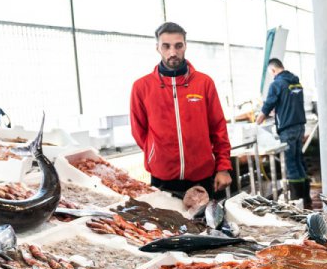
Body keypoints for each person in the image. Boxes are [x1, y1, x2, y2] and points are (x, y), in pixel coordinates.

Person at [130, 22, 232, 199]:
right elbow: (139, 131)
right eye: (166, 46)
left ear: (185, 46)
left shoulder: (204, 83)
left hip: (203, 178)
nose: (173, 52)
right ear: (157, 48)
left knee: (209, 226)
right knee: (166, 227)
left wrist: (223, 167)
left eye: (178, 46)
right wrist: (156, 153)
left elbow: (218, 128)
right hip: (163, 180)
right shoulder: (142, 87)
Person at [255, 58, 310, 208]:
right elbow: (289, 102)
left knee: (291, 165)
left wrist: (257, 122)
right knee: (299, 162)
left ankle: (299, 203)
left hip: (288, 128)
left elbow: (267, 105)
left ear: (273, 70)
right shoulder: (295, 82)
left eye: (271, 73)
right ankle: (307, 200)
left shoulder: (277, 84)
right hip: (300, 126)